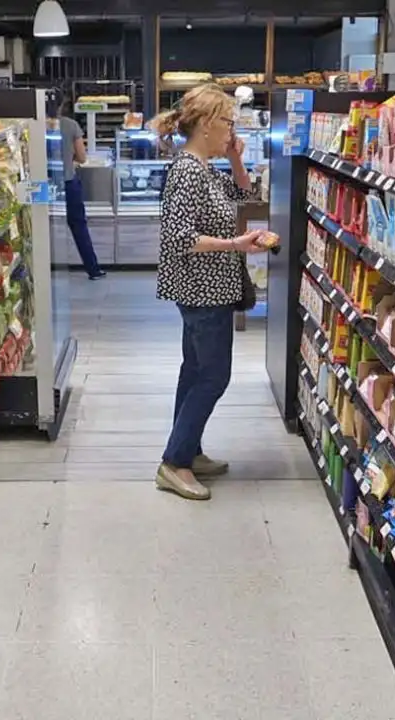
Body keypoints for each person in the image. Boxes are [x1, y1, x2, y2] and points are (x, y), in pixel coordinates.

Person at [150, 84, 269, 501]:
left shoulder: (205, 168)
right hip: (202, 291)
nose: (232, 130)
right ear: (204, 125)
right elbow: (180, 238)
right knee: (214, 376)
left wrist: (236, 155)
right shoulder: (186, 171)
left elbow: (245, 194)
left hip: (212, 287)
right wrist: (236, 245)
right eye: (228, 123)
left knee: (196, 371)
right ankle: (174, 462)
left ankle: (189, 450)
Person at [54, 93, 106, 280]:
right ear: (62, 105)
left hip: (42, 187)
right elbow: (82, 157)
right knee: (78, 225)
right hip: (67, 183)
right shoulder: (70, 125)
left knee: (40, 227)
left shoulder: (34, 126)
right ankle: (93, 269)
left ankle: (40, 269)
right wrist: (71, 161)